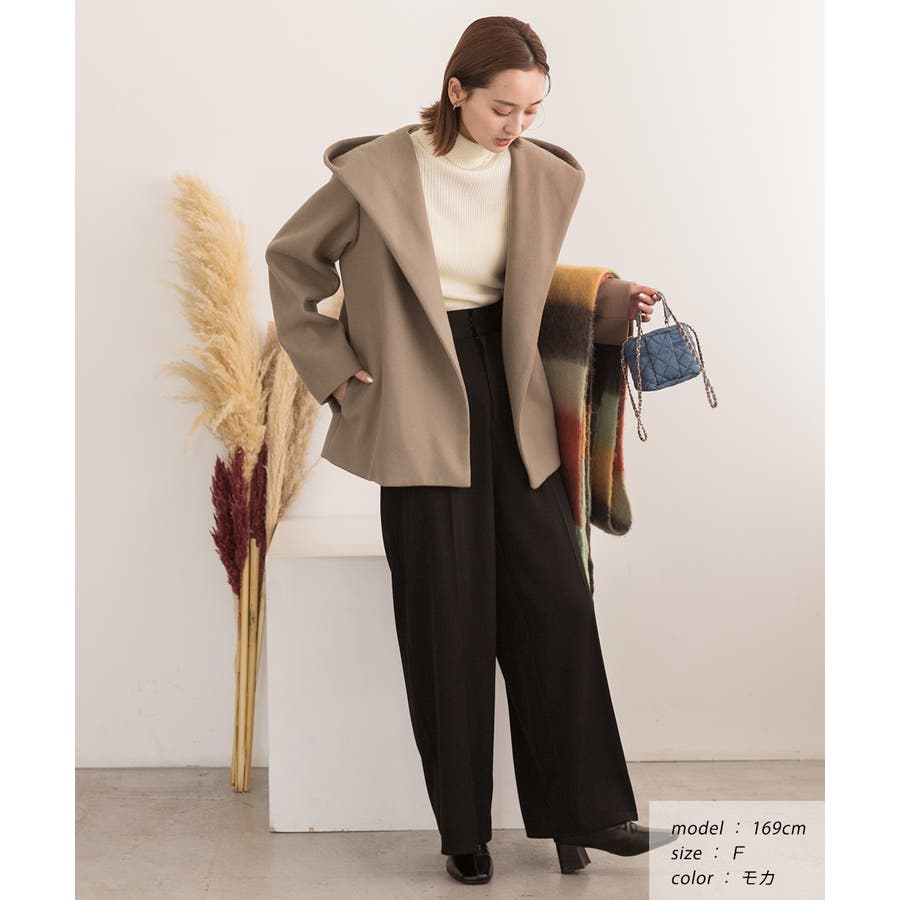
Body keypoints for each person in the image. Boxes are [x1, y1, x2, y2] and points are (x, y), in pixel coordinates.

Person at [265, 15, 677, 887]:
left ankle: (588, 811)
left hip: (513, 385)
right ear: (456, 90)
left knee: (556, 601)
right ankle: (464, 832)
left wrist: (611, 304)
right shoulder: (379, 173)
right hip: (418, 389)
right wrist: (334, 370)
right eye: (501, 108)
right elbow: (293, 262)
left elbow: (532, 290)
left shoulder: (538, 174)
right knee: (445, 618)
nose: (515, 126)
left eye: (532, 110)